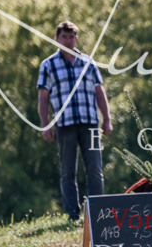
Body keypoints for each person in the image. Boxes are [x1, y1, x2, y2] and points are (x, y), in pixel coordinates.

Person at [37, 21, 112, 221]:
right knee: (68, 171)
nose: (68, 41)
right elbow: (43, 97)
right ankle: (73, 213)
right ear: (57, 39)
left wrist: (107, 119)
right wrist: (46, 124)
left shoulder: (88, 62)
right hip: (65, 124)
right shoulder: (48, 65)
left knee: (95, 169)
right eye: (64, 37)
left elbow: (99, 91)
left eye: (71, 37)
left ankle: (98, 212)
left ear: (76, 39)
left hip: (90, 122)